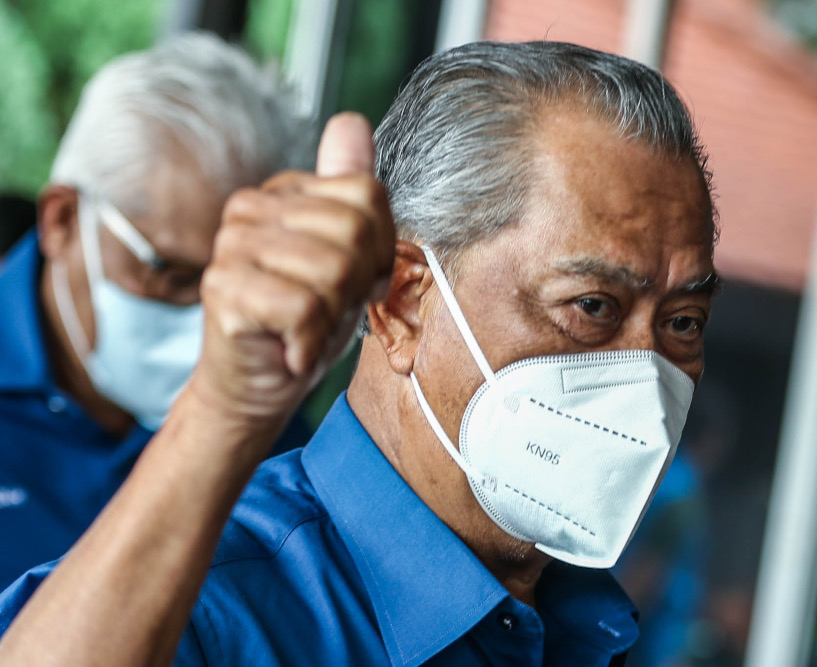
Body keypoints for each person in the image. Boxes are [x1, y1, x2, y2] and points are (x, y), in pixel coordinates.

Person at [0, 41, 719, 665]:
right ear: (405, 300)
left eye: (683, 322)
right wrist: (221, 414)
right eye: (592, 306)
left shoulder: (593, 626)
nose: (645, 379)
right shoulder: (219, 617)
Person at [0, 33, 315, 589]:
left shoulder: (270, 416)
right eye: (173, 275)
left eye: (240, 280)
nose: (211, 323)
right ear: (62, 220)